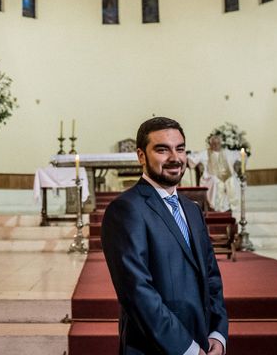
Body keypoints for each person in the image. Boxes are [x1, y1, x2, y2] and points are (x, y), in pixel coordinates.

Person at [101, 117, 228, 355]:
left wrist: (217, 334)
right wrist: (187, 348)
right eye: (162, 149)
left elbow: (211, 277)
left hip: (203, 341)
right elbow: (137, 292)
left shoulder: (192, 210)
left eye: (180, 149)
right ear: (141, 156)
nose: (174, 157)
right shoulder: (126, 209)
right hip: (155, 346)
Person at [187, 135, 241, 212]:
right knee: (216, 181)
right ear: (210, 144)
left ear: (221, 144)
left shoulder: (226, 152)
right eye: (214, 143)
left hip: (226, 176)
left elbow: (239, 155)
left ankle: (231, 206)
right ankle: (216, 207)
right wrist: (197, 162)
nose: (216, 145)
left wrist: (238, 162)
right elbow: (191, 158)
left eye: (218, 143)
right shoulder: (204, 153)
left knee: (232, 180)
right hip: (210, 177)